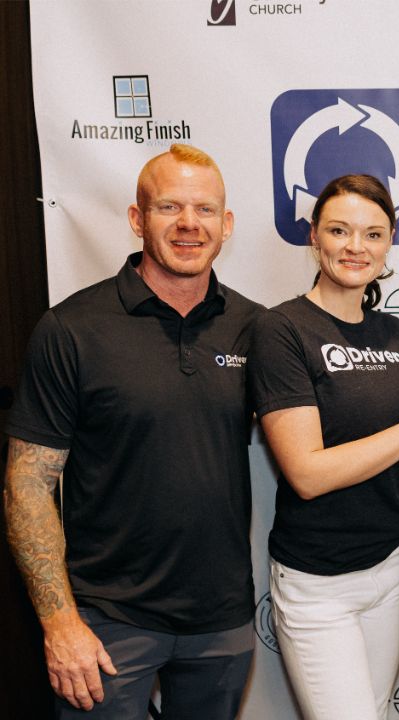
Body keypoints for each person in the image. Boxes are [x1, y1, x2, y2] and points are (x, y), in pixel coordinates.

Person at [4, 144, 261, 717]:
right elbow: (26, 485)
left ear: (227, 225)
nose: (190, 224)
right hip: (106, 624)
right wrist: (60, 622)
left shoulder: (255, 328)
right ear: (136, 219)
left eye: (206, 210)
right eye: (170, 207)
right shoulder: (71, 329)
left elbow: (315, 435)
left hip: (222, 623)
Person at [246, 174, 399, 720]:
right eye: (340, 231)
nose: (355, 247)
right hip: (318, 581)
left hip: (391, 564)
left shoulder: (395, 335)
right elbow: (308, 473)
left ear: (389, 242)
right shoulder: (282, 330)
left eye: (372, 234)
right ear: (314, 237)